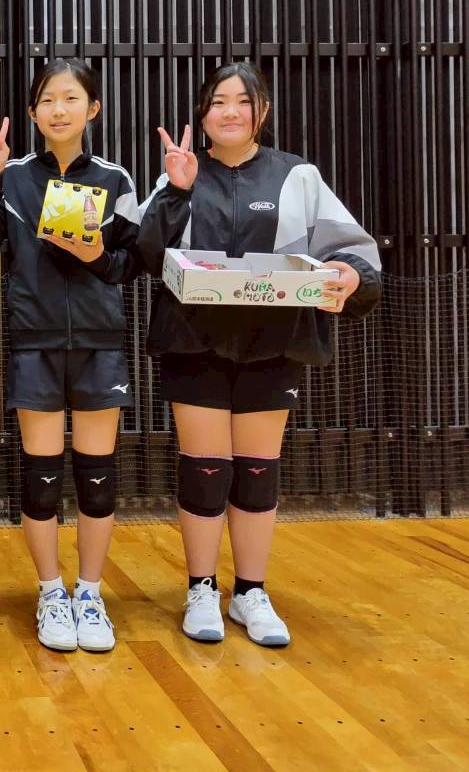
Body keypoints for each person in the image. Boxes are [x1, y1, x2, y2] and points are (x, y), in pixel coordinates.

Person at [137, 61, 381, 646]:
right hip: (193, 342)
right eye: (217, 101)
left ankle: (250, 591)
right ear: (202, 114)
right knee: (204, 468)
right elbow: (144, 253)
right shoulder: (181, 172)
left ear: (261, 112)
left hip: (275, 344)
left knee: (256, 468)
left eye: (242, 101)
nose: (229, 111)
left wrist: (350, 275)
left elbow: (352, 254)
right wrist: (176, 190)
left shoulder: (299, 176)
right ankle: (200, 588)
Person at [0, 60, 142, 653]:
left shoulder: (115, 179)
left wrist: (97, 256)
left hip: (99, 343)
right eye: (47, 99)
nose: (59, 109)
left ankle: (89, 593)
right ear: (33, 112)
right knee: (41, 477)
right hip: (35, 340)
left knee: (97, 478)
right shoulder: (16, 175)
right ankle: (50, 592)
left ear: (93, 109)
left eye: (71, 98)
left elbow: (132, 264)